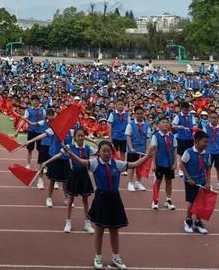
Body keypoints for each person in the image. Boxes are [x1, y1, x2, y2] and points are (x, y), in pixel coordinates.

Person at [63, 140, 155, 270]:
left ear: (112, 153)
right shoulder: (94, 163)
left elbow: (133, 164)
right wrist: (69, 152)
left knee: (114, 230)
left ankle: (116, 257)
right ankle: (98, 256)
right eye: (104, 151)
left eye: (109, 151)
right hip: (101, 199)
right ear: (98, 152)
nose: (107, 153)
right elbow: (81, 162)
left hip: (114, 200)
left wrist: (148, 156)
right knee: (99, 230)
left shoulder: (117, 164)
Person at [41, 128, 94, 233]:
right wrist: (46, 161)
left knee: (85, 200)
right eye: (78, 136)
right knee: (70, 200)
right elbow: (58, 155)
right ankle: (68, 222)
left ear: (85, 137)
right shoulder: (70, 147)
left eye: (82, 136)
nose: (80, 138)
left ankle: (87, 223)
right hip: (73, 176)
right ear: (74, 137)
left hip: (84, 176)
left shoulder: (88, 148)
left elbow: (100, 154)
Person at [180, 130, 210, 234]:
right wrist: (188, 178)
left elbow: (208, 168)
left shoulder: (207, 154)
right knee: (191, 202)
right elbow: (182, 165)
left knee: (201, 203)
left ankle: (198, 222)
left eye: (207, 142)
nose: (206, 144)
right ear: (196, 141)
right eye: (204, 142)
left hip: (201, 182)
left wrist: (208, 182)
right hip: (191, 182)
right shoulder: (188, 152)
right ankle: (188, 220)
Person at [150, 116, 177, 210]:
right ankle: (155, 199)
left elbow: (174, 150)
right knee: (158, 181)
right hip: (159, 163)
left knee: (169, 181)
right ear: (158, 125)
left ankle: (168, 199)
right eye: (163, 122)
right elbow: (153, 151)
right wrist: (153, 164)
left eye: (167, 122)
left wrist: (175, 163)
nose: (165, 124)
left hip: (169, 163)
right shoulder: (155, 136)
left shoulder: (172, 136)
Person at [15, 94, 45, 169]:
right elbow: (23, 121)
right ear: (31, 101)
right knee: (29, 149)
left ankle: (42, 165)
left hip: (40, 132)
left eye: (38, 101)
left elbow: (46, 120)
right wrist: (17, 131)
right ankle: (28, 164)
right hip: (31, 131)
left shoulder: (42, 110)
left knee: (41, 150)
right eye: (35, 101)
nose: (37, 102)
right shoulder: (28, 111)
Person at [125, 105, 150, 191]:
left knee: (140, 167)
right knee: (131, 167)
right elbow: (128, 137)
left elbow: (147, 138)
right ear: (134, 114)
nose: (139, 115)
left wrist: (147, 149)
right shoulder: (130, 125)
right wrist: (131, 148)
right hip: (132, 150)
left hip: (142, 149)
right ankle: (130, 183)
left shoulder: (147, 125)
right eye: (137, 113)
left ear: (143, 114)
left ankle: (138, 182)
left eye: (141, 113)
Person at [203, 109, 219, 189]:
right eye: (212, 117)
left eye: (215, 117)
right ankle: (208, 183)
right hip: (208, 151)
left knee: (218, 168)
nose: (213, 119)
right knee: (208, 168)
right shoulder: (206, 128)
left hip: (218, 151)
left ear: (218, 118)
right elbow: (204, 140)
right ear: (209, 118)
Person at [172, 102, 195, 177]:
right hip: (181, 138)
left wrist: (194, 130)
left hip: (190, 138)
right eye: (184, 110)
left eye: (187, 110)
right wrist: (179, 127)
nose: (186, 112)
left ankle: (188, 169)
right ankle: (180, 170)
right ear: (181, 109)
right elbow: (173, 125)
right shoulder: (178, 116)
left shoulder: (191, 116)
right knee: (180, 155)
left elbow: (194, 125)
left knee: (189, 154)